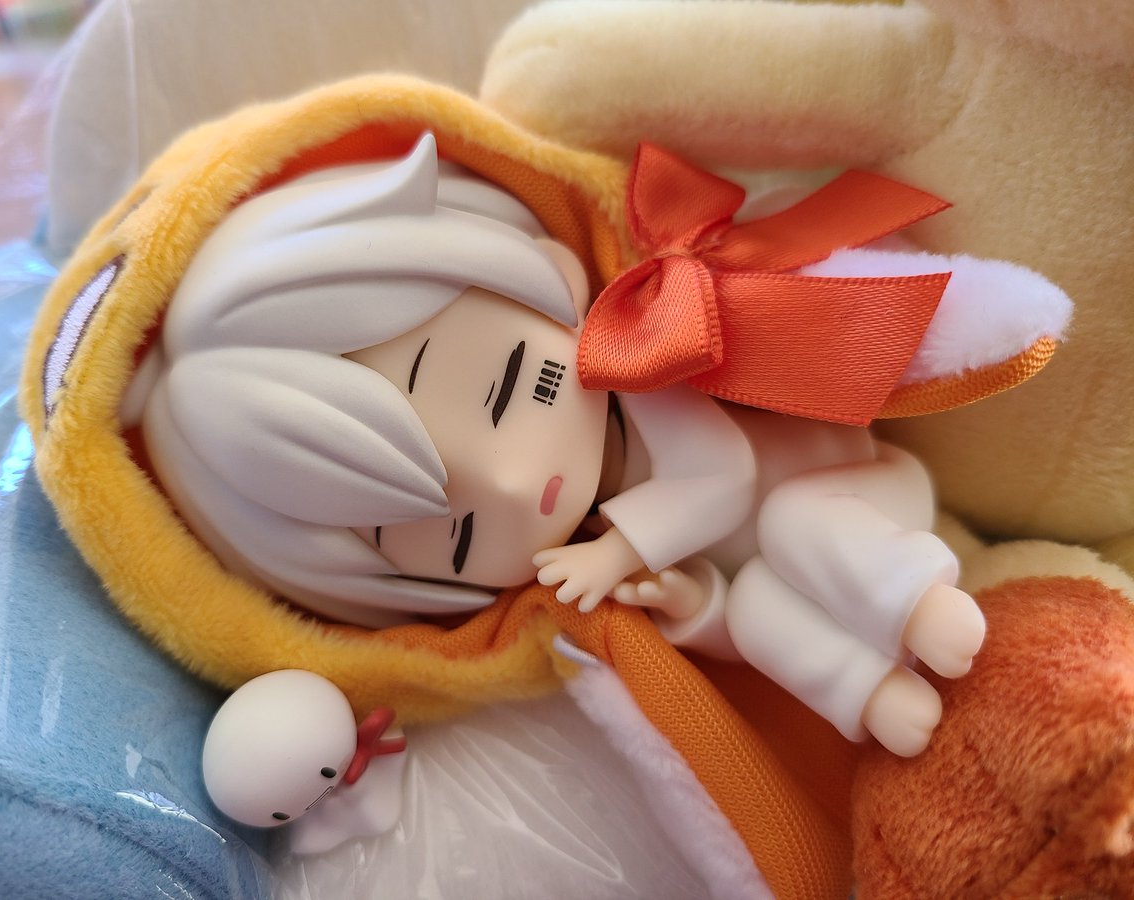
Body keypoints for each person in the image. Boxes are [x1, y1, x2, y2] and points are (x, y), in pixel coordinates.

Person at [126, 134, 988, 755]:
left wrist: (618, 553)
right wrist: (694, 606)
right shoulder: (585, 553)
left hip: (873, 497)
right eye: (460, 534)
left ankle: (917, 603)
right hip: (801, 576)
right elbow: (728, 621)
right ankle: (871, 693)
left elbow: (722, 476)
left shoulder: (640, 375)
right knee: (758, 607)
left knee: (796, 521)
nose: (512, 481)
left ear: (552, 272)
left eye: (512, 384)